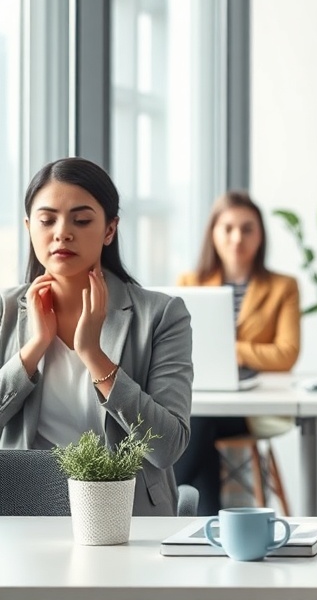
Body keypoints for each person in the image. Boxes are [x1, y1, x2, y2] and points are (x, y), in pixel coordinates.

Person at [0, 158, 193, 515]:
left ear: (109, 229)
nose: (62, 232)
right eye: (47, 220)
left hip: (129, 517)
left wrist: (93, 355)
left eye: (82, 219)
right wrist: (32, 350)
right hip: (23, 514)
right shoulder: (5, 311)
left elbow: (167, 447)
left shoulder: (162, 315)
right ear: (29, 227)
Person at [172, 191, 300, 515]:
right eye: (227, 228)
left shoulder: (282, 286)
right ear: (213, 233)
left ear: (260, 235)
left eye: (247, 228)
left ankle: (168, 505)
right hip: (202, 398)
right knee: (199, 422)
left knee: (195, 424)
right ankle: (207, 522)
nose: (236, 237)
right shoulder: (189, 282)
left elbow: (286, 354)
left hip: (252, 407)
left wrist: (230, 351)